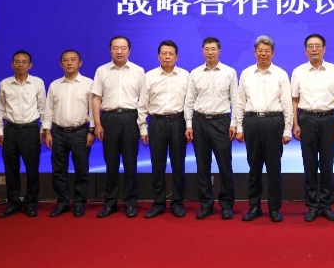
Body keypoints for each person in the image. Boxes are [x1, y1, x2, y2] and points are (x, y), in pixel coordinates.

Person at [235, 35, 293, 222]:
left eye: (267, 51)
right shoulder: (246, 73)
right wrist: (239, 127)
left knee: (274, 168)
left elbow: (287, 104)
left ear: (273, 53)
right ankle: (254, 207)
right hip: (251, 121)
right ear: (254, 53)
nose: (263, 54)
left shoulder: (281, 74)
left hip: (273, 121)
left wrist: (287, 129)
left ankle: (274, 208)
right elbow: (240, 102)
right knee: (254, 167)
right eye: (260, 51)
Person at [291, 33, 334, 222]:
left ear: (324, 49)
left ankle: (327, 205)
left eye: (318, 46)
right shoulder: (298, 71)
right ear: (305, 50)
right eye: (310, 46)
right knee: (310, 164)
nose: (314, 49)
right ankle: (313, 205)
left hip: (329, 119)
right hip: (306, 119)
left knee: (327, 164)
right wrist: (295, 123)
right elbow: (294, 99)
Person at [91, 36, 145, 218]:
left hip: (131, 118)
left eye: (123, 48)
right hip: (109, 118)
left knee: (130, 163)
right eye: (115, 48)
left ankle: (130, 203)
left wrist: (142, 126)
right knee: (111, 163)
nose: (119, 51)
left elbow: (143, 101)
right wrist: (97, 124)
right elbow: (96, 98)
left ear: (129, 50)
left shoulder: (138, 71)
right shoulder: (102, 71)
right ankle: (110, 203)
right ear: (110, 50)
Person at [185, 37, 238, 220]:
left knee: (225, 165)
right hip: (199, 121)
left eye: (213, 49)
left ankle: (226, 205)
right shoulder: (195, 73)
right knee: (202, 165)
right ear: (203, 51)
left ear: (219, 51)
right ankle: (206, 205)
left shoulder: (229, 72)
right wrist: (189, 124)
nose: (210, 52)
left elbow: (235, 100)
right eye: (207, 49)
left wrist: (234, 123)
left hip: (221, 121)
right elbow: (189, 101)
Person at [138, 40, 189, 219]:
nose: (167, 57)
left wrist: (189, 125)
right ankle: (158, 203)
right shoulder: (149, 76)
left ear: (177, 57)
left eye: (171, 54)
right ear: (158, 56)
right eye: (164, 53)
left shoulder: (185, 76)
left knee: (178, 164)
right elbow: (142, 104)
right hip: (157, 123)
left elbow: (189, 104)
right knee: (157, 164)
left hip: (178, 122)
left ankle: (177, 203)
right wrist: (143, 128)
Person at [43, 50, 94, 218]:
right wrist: (47, 131)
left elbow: (93, 111)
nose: (69, 63)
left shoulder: (89, 83)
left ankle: (79, 202)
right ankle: (62, 202)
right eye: (65, 60)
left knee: (81, 169)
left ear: (80, 63)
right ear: (61, 64)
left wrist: (91, 131)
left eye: (73, 60)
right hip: (58, 132)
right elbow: (48, 110)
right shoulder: (55, 85)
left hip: (80, 131)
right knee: (58, 169)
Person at [0, 50, 46, 218]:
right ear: (12, 65)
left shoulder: (37, 82)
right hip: (10, 130)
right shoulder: (4, 83)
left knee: (32, 168)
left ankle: (31, 203)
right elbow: (0, 108)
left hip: (31, 130)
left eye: (24, 62)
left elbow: (42, 108)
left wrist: (43, 129)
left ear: (30, 65)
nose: (20, 64)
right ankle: (13, 203)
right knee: (11, 169)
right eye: (17, 61)